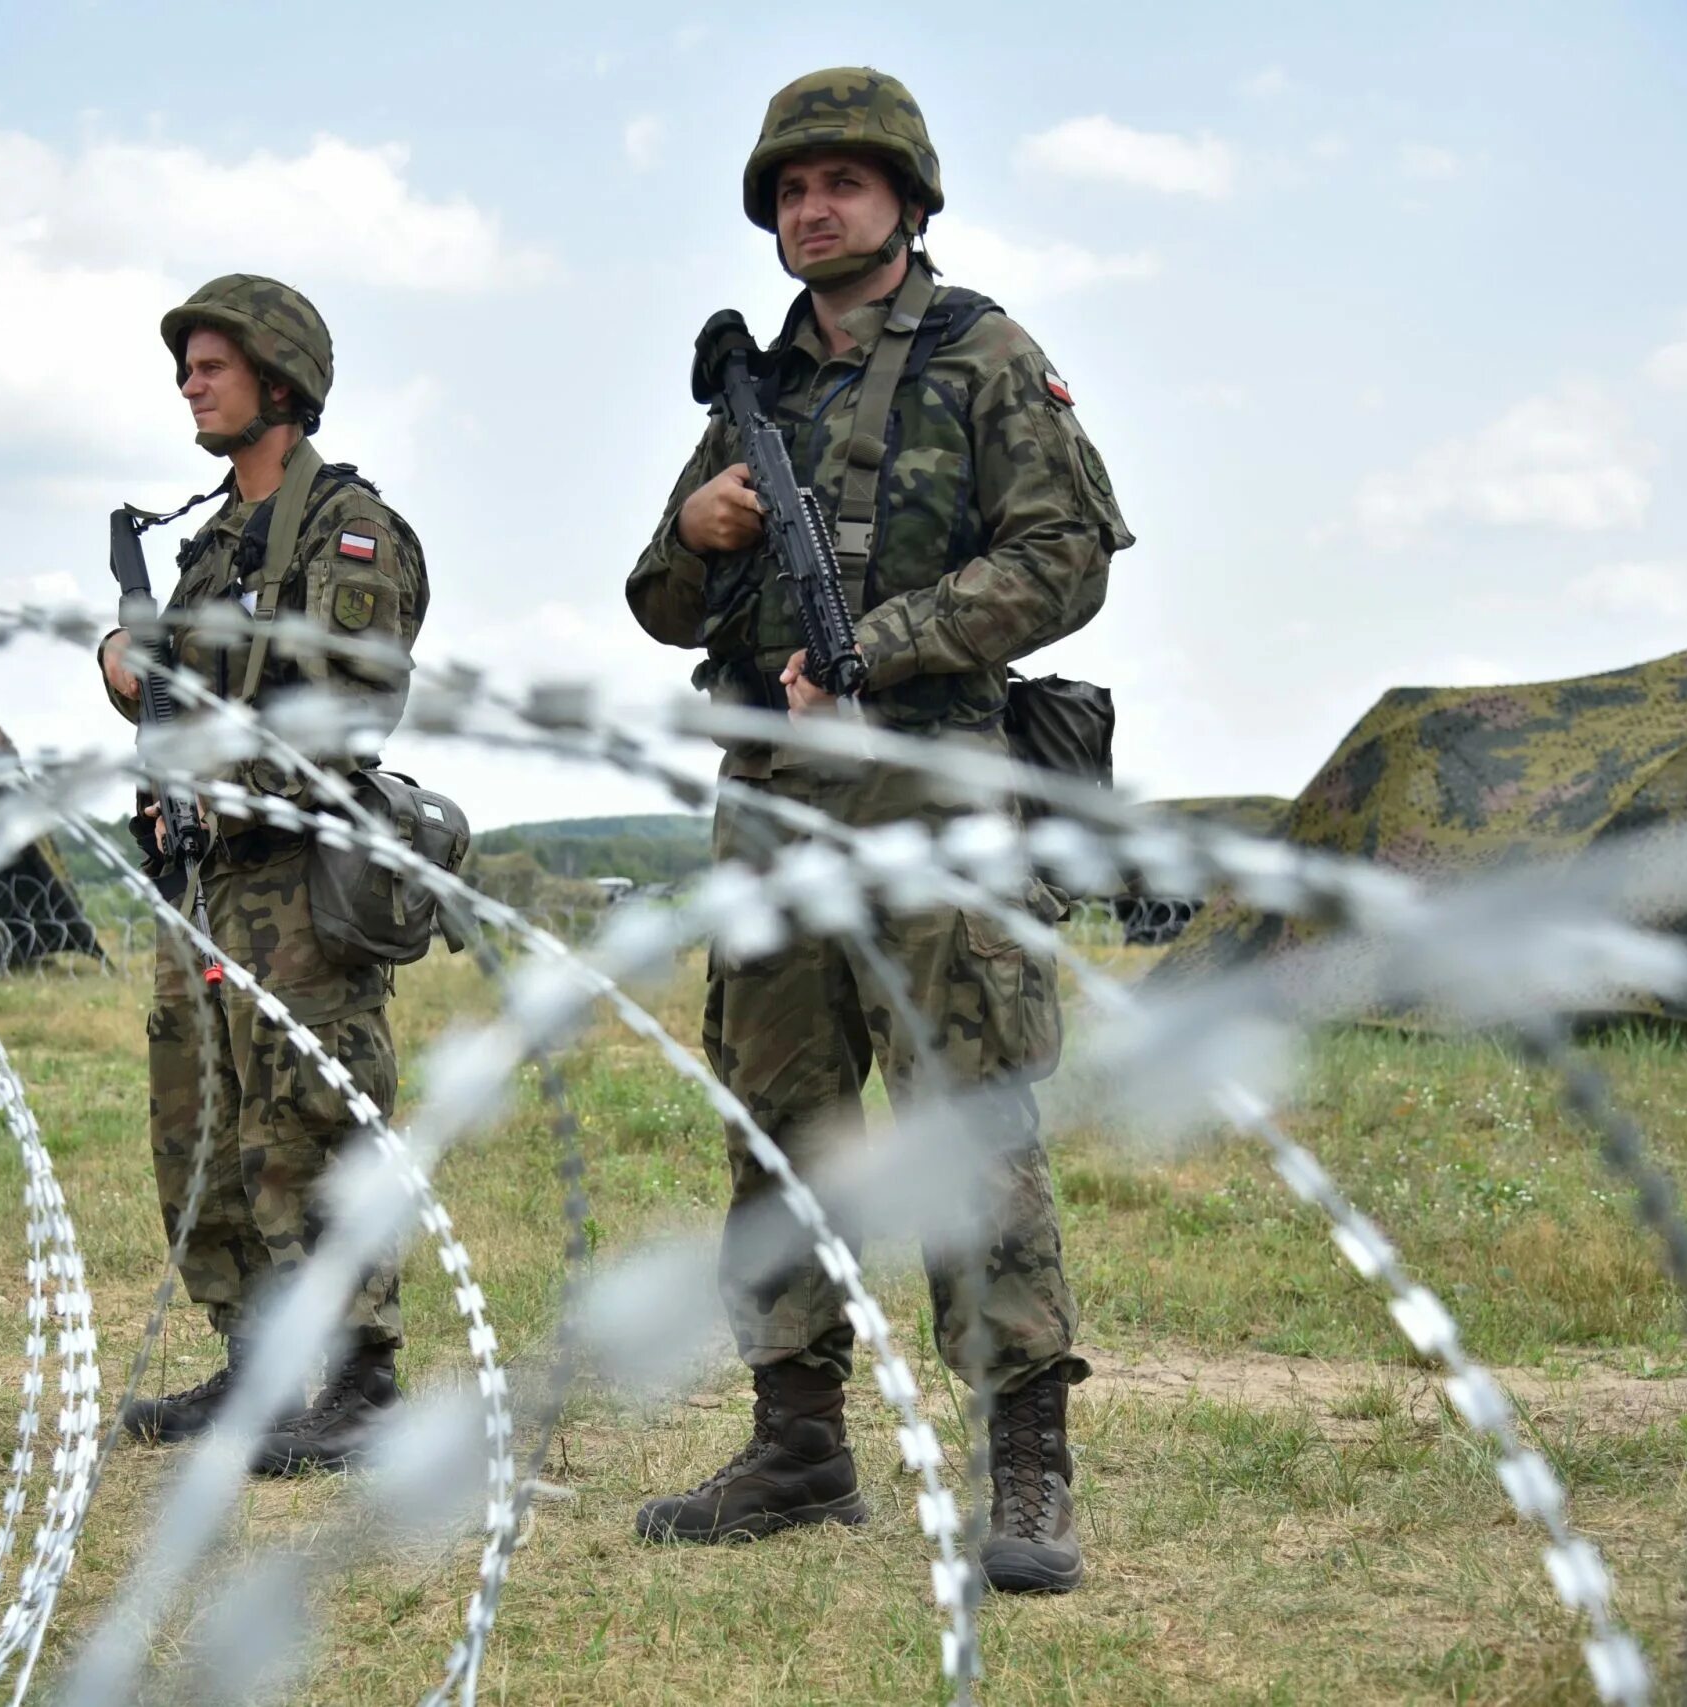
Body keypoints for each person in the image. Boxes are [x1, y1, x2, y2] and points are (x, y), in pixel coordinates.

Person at [624, 68, 1132, 1592]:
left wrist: (889, 640)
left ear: (907, 200)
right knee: (780, 1120)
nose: (812, 206)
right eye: (789, 188)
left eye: (842, 182)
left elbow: (1069, 553)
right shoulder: (754, 395)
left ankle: (1026, 1466)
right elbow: (658, 608)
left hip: (931, 788)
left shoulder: (985, 356)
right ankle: (798, 1443)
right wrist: (695, 532)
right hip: (774, 806)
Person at [99, 274, 430, 1474]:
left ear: (279, 381)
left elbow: (346, 707)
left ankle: (354, 1381)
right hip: (198, 876)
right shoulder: (209, 548)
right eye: (184, 364)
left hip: (296, 877)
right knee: (199, 1123)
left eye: (213, 363)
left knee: (310, 1123)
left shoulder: (344, 533)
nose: (190, 381)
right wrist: (121, 669)